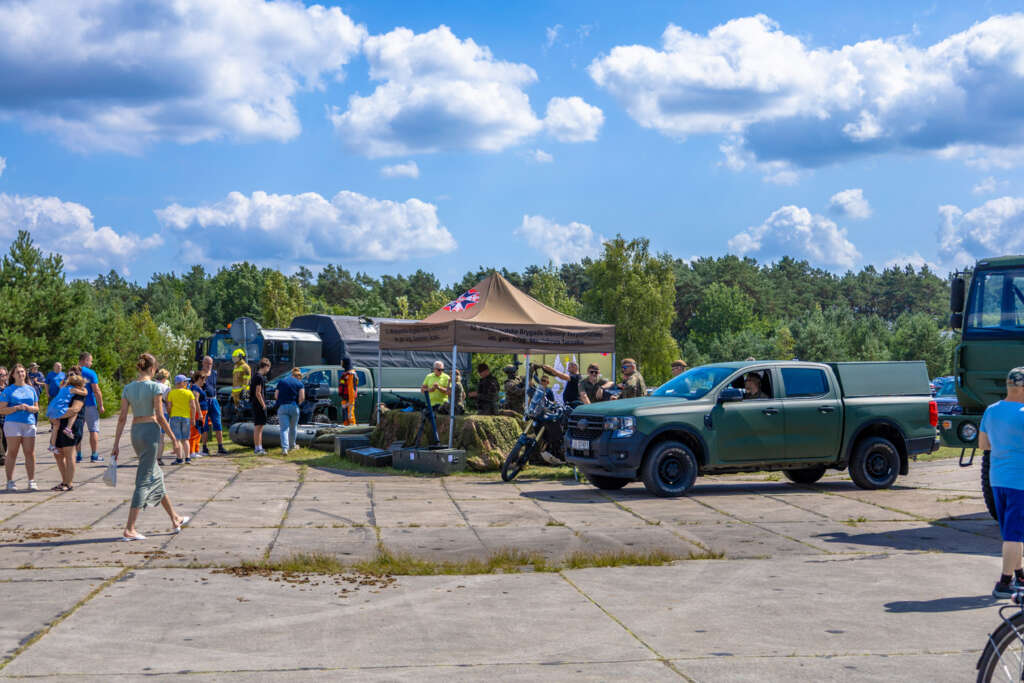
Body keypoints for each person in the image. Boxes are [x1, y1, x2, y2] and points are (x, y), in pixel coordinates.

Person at [110, 353, 189, 541]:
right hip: (150, 432)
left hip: (136, 432)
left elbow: (122, 418)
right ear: (153, 369)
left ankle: (175, 518)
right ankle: (130, 528)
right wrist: (174, 439)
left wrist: (116, 444)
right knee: (144, 480)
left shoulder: (128, 388)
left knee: (156, 475)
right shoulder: (155, 387)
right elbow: (160, 417)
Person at [979, 367, 1024, 598]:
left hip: (998, 479)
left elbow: (984, 445)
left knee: (1011, 530)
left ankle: (1020, 574)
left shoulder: (991, 411)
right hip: (1020, 481)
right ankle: (1004, 584)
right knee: (1014, 535)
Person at [1, 364, 40, 491]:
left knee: (30, 453)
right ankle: (10, 481)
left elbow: (36, 408)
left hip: (28, 423)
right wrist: (16, 408)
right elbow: (2, 410)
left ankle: (31, 481)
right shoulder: (8, 390)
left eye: (22, 372)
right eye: (18, 372)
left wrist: (29, 408)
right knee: (12, 452)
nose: (21, 374)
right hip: (13, 423)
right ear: (12, 375)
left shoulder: (31, 389)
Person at [52, 373, 88, 491]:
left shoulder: (79, 395)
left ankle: (69, 483)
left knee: (69, 454)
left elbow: (75, 410)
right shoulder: (66, 391)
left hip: (72, 427)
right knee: (58, 454)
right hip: (60, 425)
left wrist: (57, 415)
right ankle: (64, 481)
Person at [78, 352, 104, 463]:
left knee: (77, 430)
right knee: (93, 430)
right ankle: (94, 455)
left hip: (76, 405)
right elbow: (96, 390)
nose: (91, 363)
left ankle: (77, 455)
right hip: (89, 404)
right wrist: (101, 405)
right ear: (85, 360)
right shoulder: (91, 373)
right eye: (90, 360)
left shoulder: (71, 372)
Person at [199, 356, 227, 455]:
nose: (209, 365)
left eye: (210, 363)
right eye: (207, 363)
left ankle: (220, 446)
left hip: (214, 400)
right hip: (204, 401)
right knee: (204, 425)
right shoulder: (199, 374)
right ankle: (205, 447)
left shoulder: (214, 373)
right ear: (203, 363)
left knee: (218, 423)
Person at [167, 375, 196, 465]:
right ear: (182, 383)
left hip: (175, 417)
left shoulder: (171, 393)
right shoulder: (189, 393)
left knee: (177, 439)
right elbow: (193, 406)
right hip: (186, 417)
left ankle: (179, 459)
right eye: (185, 381)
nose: (187, 383)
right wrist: (193, 418)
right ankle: (187, 458)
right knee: (185, 439)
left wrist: (170, 415)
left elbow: (169, 406)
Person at [275, 367, 305, 455]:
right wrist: (298, 404)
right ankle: (292, 446)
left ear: (291, 373)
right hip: (294, 407)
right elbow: (302, 397)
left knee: (284, 429)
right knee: (293, 428)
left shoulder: (281, 381)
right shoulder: (299, 384)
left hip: (282, 407)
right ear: (298, 376)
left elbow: (276, 396)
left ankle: (285, 449)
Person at [188, 370, 209, 462]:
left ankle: (196, 450)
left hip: (203, 412)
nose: (204, 381)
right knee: (195, 431)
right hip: (198, 413)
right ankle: (191, 451)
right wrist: (199, 413)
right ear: (199, 379)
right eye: (203, 379)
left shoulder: (199, 388)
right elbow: (196, 401)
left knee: (199, 431)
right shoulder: (195, 388)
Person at [250, 358, 271, 454]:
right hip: (259, 404)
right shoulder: (259, 377)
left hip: (255, 404)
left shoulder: (255, 376)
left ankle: (259, 447)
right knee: (259, 427)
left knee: (258, 426)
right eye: (268, 368)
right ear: (266, 366)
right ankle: (258, 448)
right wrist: (263, 405)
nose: (268, 370)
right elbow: (258, 393)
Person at [338, 357, 357, 426]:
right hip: (345, 398)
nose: (341, 363)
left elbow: (351, 388)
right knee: (345, 415)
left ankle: (352, 430)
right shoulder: (346, 374)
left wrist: (350, 402)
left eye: (342, 362)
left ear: (345, 363)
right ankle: (346, 427)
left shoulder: (351, 374)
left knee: (350, 415)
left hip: (349, 399)